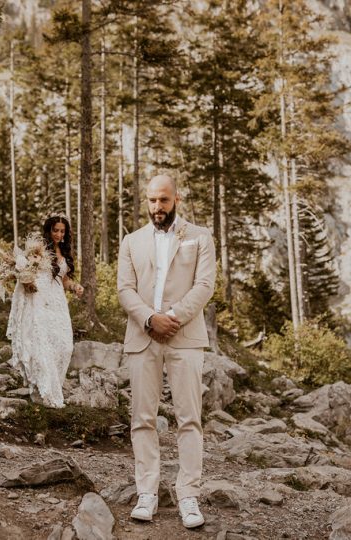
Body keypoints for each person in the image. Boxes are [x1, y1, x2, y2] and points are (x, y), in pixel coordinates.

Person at [117, 173, 216, 529]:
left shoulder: (200, 237)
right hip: (142, 337)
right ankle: (147, 492)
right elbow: (125, 289)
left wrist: (171, 318)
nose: (157, 207)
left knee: (189, 418)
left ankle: (188, 495)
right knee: (142, 418)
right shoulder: (131, 241)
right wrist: (149, 319)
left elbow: (205, 285)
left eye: (163, 200)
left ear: (176, 199)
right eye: (151, 200)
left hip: (185, 337)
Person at [6, 213, 84, 408]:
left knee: (65, 345)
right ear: (49, 230)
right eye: (55, 230)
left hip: (58, 301)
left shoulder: (64, 253)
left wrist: (75, 287)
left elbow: (64, 280)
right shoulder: (38, 250)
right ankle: (43, 391)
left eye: (62, 231)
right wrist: (26, 279)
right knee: (42, 341)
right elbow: (26, 271)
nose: (58, 234)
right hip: (39, 299)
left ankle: (52, 385)